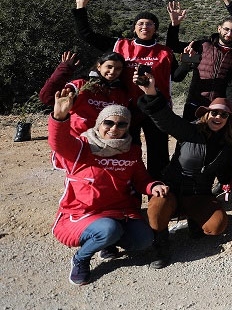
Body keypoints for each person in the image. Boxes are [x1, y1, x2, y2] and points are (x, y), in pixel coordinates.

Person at [49, 88, 168, 285]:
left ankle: (108, 243)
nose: (114, 128)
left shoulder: (131, 151)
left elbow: (141, 179)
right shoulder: (82, 147)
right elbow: (59, 143)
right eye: (109, 123)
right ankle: (81, 259)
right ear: (99, 123)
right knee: (108, 230)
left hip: (121, 212)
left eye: (122, 124)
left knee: (143, 240)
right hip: (83, 213)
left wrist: (153, 186)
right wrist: (59, 118)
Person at [72, 0, 176, 179]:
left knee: (159, 153)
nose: (145, 26)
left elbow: (176, 75)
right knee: (128, 151)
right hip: (127, 108)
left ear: (155, 28)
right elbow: (87, 35)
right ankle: (129, 193)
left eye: (150, 23)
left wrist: (186, 60)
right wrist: (80, 8)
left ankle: (159, 193)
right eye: (141, 23)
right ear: (134, 27)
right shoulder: (120, 45)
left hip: (158, 108)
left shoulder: (164, 52)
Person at [136, 74, 232, 270]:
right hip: (171, 191)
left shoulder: (227, 145)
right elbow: (166, 119)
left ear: (228, 120)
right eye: (214, 113)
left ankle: (194, 220)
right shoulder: (190, 131)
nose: (218, 117)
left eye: (223, 115)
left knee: (217, 225)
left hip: (199, 195)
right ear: (207, 114)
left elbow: (225, 174)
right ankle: (161, 243)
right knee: (156, 212)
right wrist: (151, 92)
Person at [166, 2, 232, 119]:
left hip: (221, 107)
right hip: (195, 102)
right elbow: (172, 45)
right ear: (219, 28)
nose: (229, 33)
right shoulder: (203, 45)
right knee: (189, 136)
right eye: (226, 29)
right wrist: (175, 25)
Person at [39, 51, 130, 137]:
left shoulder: (121, 92)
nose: (113, 71)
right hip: (78, 140)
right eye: (109, 67)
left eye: (118, 69)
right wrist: (63, 70)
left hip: (106, 143)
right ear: (99, 66)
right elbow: (47, 97)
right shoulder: (81, 85)